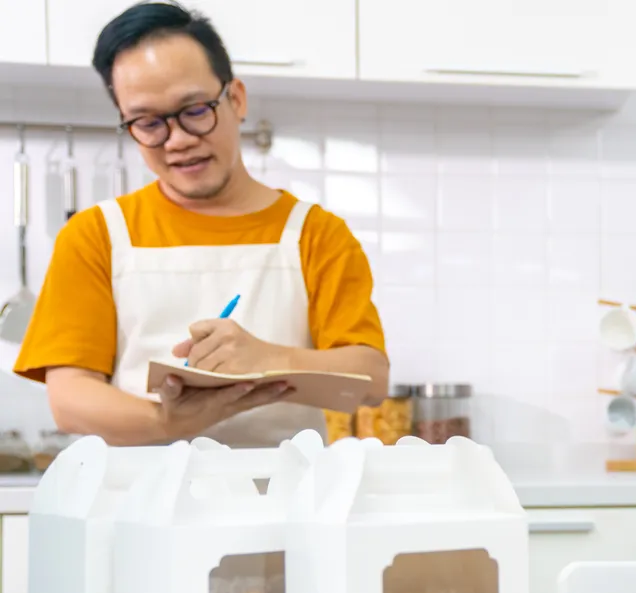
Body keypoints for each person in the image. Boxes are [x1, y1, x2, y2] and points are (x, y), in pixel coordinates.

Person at [12, 2, 389, 448]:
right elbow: (70, 398)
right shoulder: (98, 234)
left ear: (236, 99)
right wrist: (170, 423)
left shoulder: (314, 233)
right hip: (141, 503)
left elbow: (371, 379)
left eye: (194, 110)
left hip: (282, 502)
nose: (177, 140)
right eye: (148, 123)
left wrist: (267, 358)